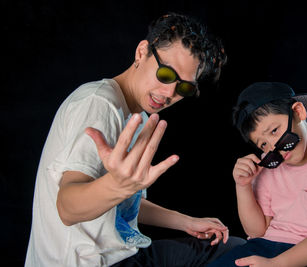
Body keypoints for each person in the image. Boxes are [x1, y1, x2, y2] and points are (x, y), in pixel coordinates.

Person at [25, 13, 245, 267]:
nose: (168, 93)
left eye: (184, 88)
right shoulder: (99, 104)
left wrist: (187, 222)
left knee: (234, 251)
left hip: (122, 255)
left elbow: (123, 201)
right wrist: (117, 185)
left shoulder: (136, 115)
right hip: (86, 263)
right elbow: (67, 207)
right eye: (165, 74)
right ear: (142, 52)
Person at [207, 82, 307, 267]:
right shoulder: (269, 163)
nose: (273, 148)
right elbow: (258, 231)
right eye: (263, 144)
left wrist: (277, 264)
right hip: (266, 245)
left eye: (274, 131)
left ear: (298, 112)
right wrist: (243, 186)